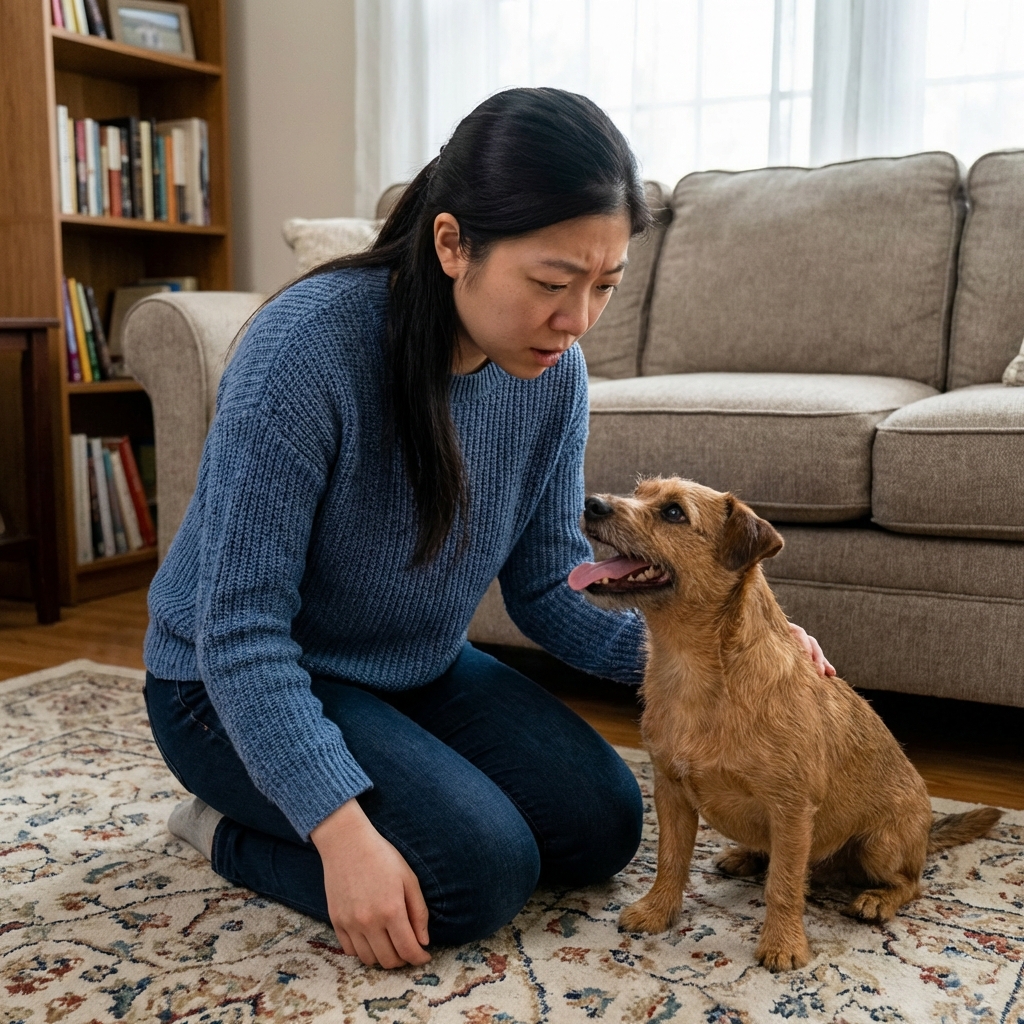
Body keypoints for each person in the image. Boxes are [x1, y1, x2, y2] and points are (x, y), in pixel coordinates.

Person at [143, 87, 834, 972]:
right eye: (552, 283)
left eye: (605, 286)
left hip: (408, 671)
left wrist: (724, 658)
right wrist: (341, 834)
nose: (577, 319)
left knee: (604, 824)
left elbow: (550, 587)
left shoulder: (553, 375)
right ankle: (223, 831)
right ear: (452, 243)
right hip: (223, 689)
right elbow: (237, 634)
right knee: (476, 876)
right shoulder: (303, 354)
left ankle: (380, 783)